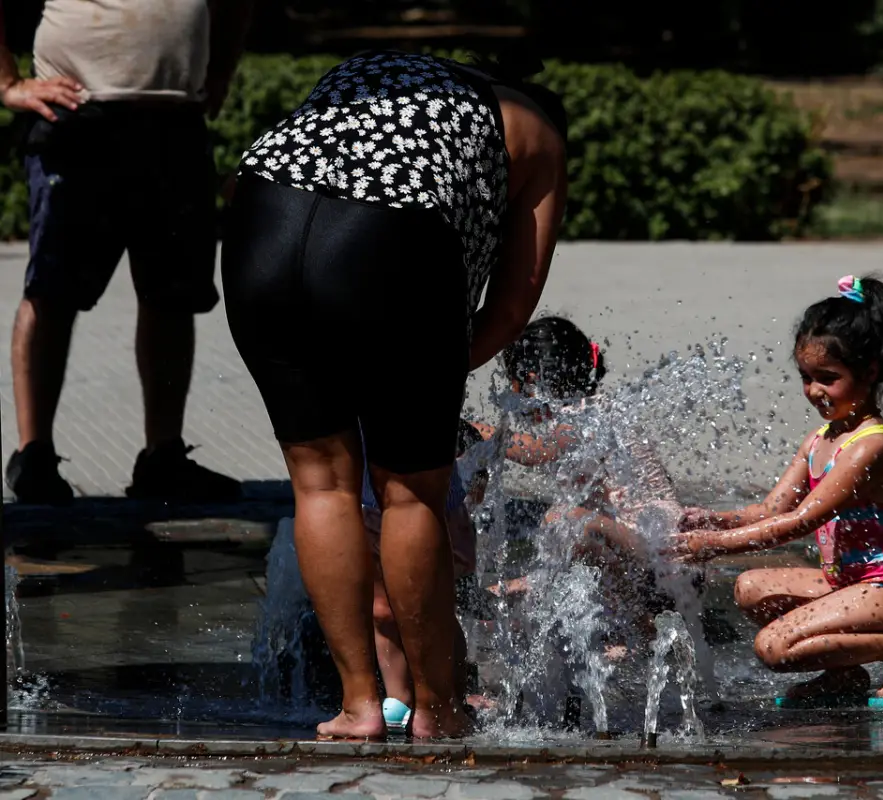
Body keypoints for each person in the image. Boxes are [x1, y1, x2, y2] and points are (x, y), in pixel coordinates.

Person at [220, 50, 568, 739]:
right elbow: (513, 301)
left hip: (260, 218)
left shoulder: (379, 68)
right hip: (389, 236)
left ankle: (358, 707)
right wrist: (427, 375)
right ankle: (438, 709)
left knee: (320, 484)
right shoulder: (537, 128)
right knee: (410, 491)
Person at [0, 0, 252, 505]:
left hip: (175, 120)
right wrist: (7, 84)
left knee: (172, 295)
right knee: (51, 292)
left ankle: (163, 456)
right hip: (76, 115)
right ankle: (34, 455)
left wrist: (220, 70)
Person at [669, 276, 883, 707]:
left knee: (773, 647)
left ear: (869, 372)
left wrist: (712, 545)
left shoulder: (870, 445)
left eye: (827, 378)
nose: (814, 391)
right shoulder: (820, 439)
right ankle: (843, 676)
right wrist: (711, 519)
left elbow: (800, 521)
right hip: (846, 583)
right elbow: (771, 508)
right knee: (749, 587)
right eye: (806, 377)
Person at [470, 316, 699, 641]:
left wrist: (472, 429)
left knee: (563, 521)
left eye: (514, 385)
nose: (511, 395)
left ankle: (641, 632)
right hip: (654, 562)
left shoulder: (585, 415)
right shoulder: (596, 410)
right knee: (512, 603)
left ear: (532, 381)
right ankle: (627, 626)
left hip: (666, 562)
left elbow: (537, 452)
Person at [360, 421, 486, 733]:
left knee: (432, 608)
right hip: (369, 495)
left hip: (426, 499)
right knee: (382, 609)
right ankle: (399, 701)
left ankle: (449, 699)